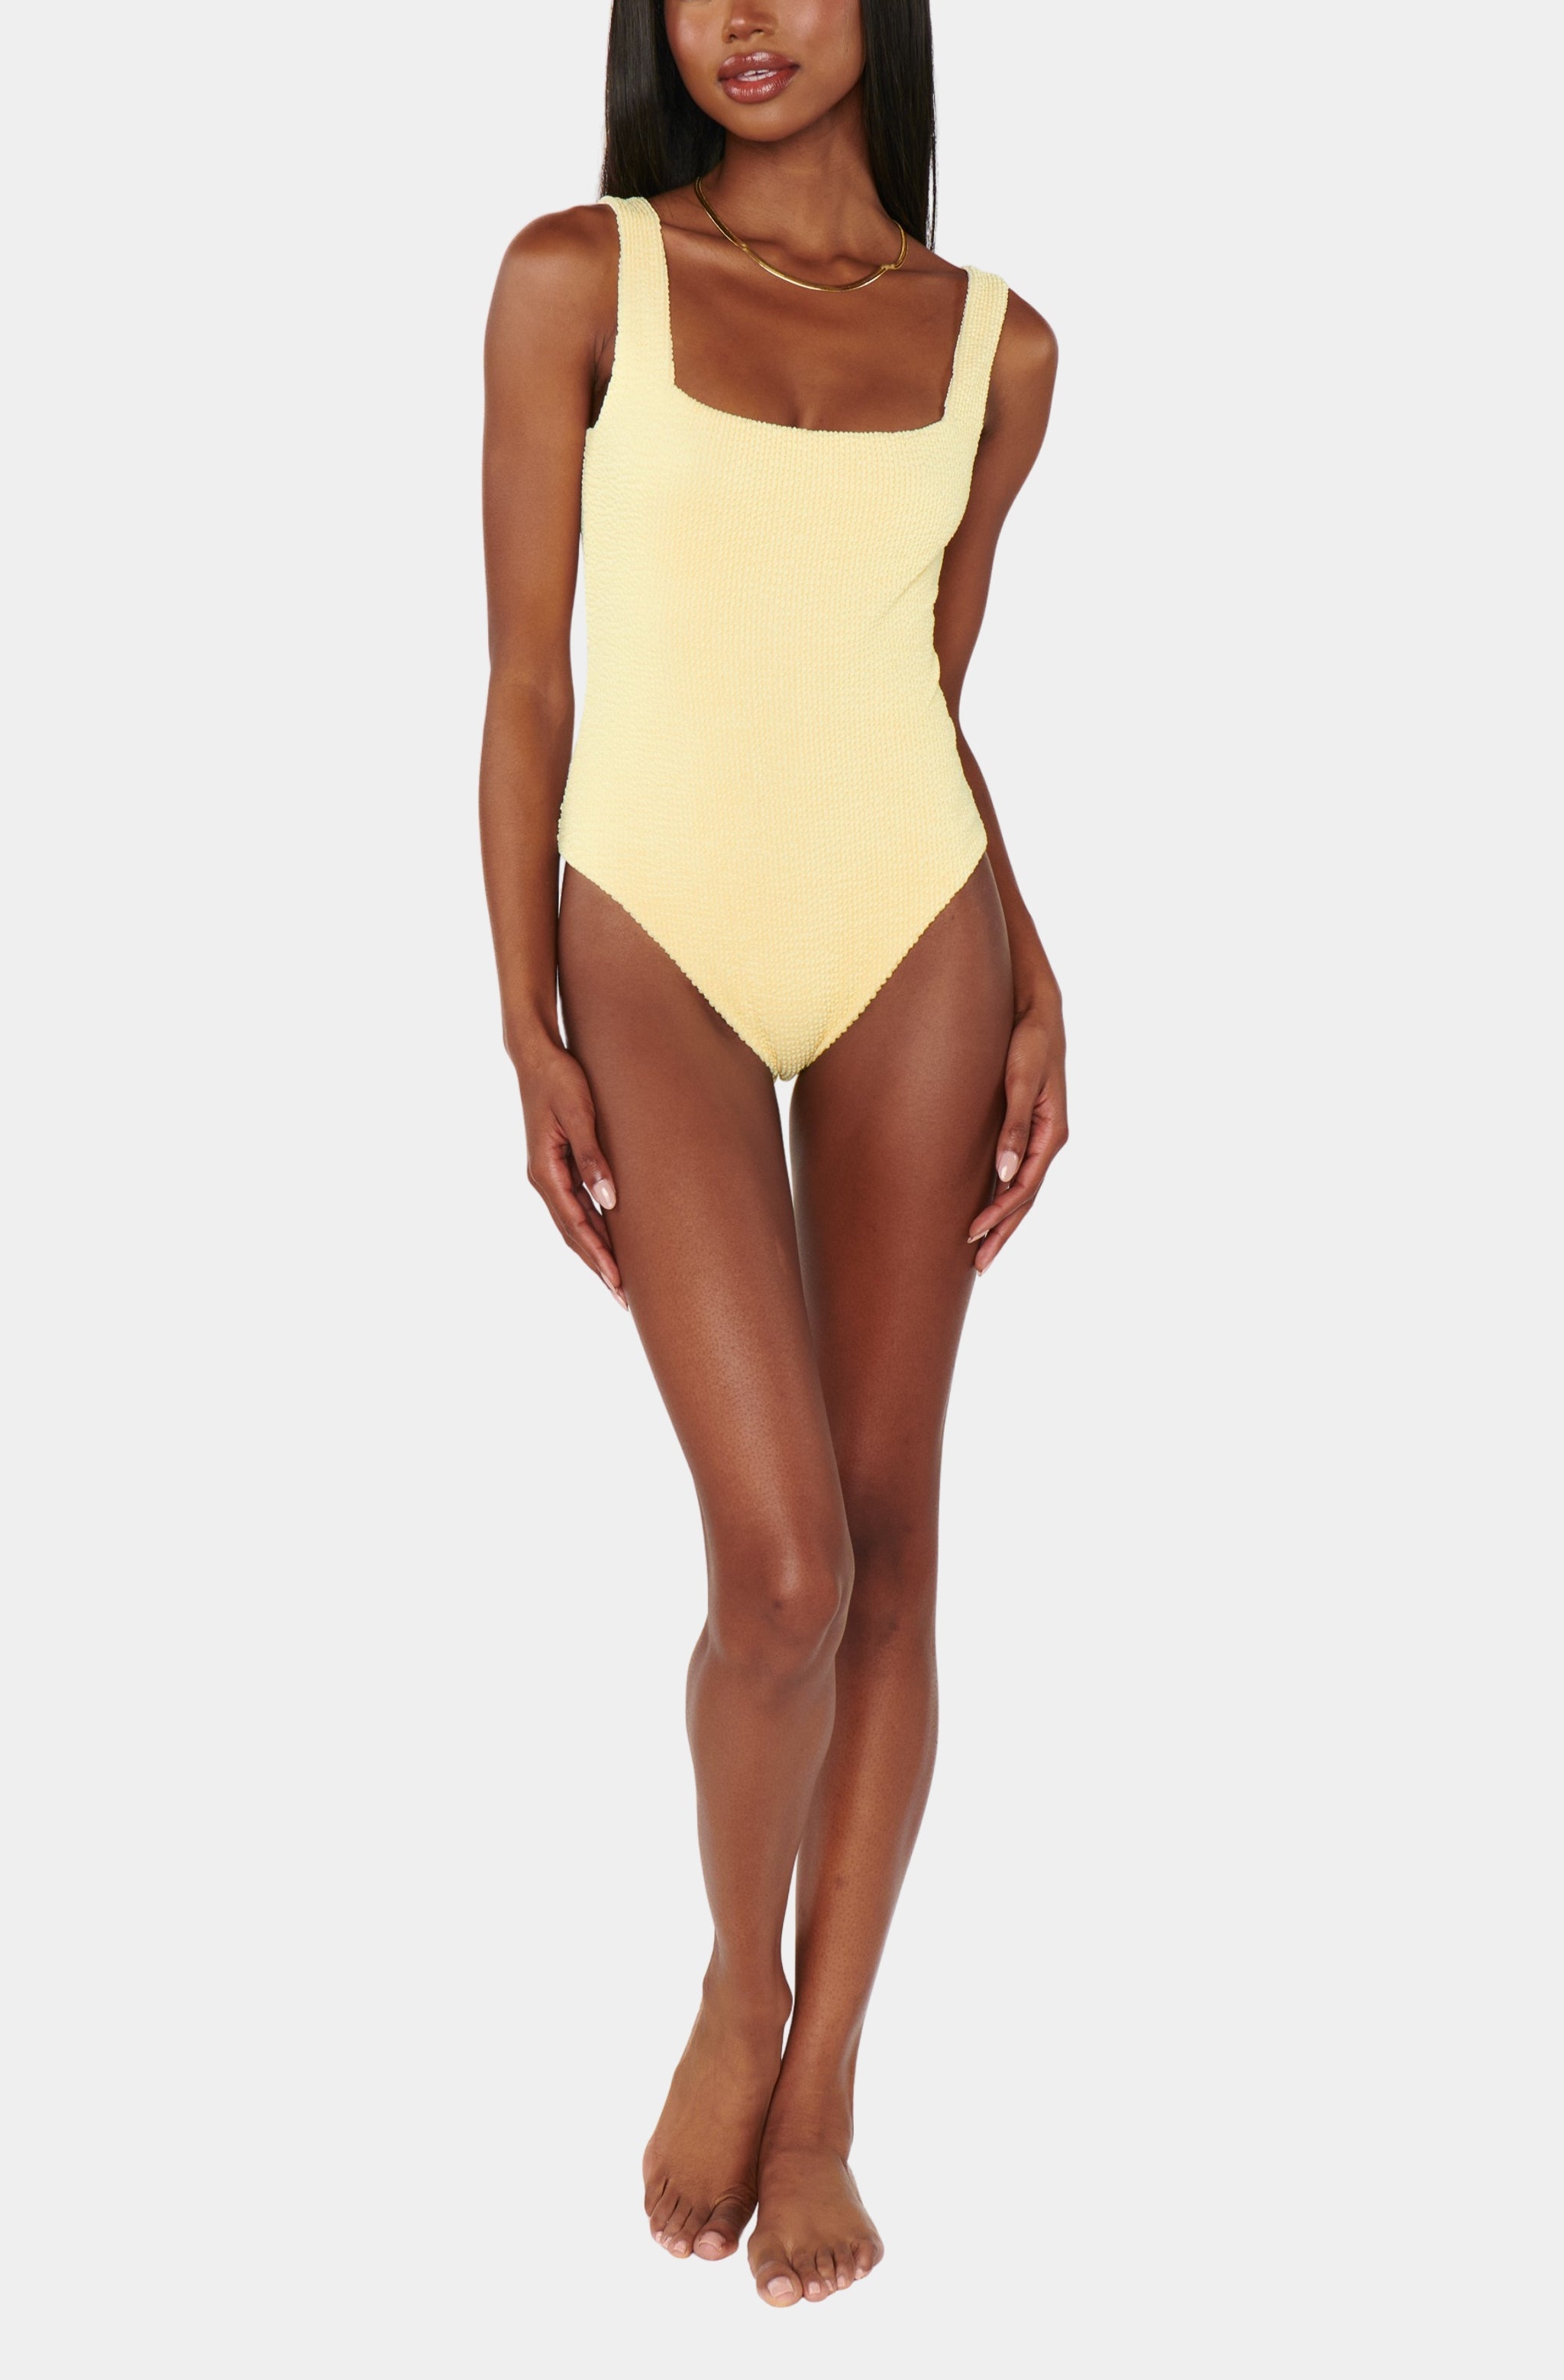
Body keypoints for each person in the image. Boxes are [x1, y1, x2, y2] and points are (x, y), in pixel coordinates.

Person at [479, 0, 1066, 2310]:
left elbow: (925, 691)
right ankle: (743, 1982)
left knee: (897, 1539)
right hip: (650, 925)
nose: (745, 15)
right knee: (788, 1566)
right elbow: (531, 681)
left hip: (918, 921)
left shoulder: (1002, 349)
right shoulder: (576, 275)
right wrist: (518, 1013)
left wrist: (1033, 964)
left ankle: (823, 2088)